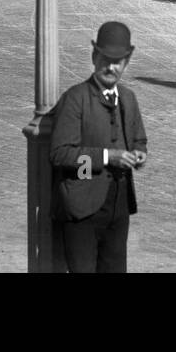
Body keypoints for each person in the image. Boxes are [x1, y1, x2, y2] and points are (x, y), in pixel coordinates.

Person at [50, 21, 148, 273]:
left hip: (119, 208)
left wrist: (139, 155)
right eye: (105, 59)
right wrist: (107, 157)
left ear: (126, 62)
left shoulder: (128, 99)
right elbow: (61, 154)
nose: (111, 67)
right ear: (94, 57)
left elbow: (139, 140)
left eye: (118, 61)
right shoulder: (76, 99)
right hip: (82, 210)